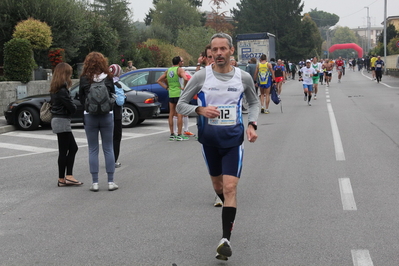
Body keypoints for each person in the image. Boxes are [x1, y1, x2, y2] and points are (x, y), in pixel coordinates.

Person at [176, 32, 259, 261]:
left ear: (231, 51)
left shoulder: (243, 78)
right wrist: (200, 110)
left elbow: (253, 102)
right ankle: (224, 206)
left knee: (231, 187)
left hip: (233, 141)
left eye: (223, 49)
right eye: (215, 50)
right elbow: (181, 105)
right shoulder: (201, 77)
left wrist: (252, 124)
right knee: (218, 185)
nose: (219, 53)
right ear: (210, 52)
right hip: (209, 141)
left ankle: (225, 240)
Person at [79, 52, 118, 192]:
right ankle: (110, 182)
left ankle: (95, 183)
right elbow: (113, 95)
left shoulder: (84, 79)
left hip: (90, 116)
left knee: (93, 149)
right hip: (107, 115)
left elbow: (81, 98)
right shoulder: (108, 78)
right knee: (108, 148)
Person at [50, 62, 82, 187]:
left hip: (58, 120)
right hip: (62, 121)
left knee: (65, 150)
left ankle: (62, 179)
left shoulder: (55, 89)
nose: (71, 75)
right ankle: (67, 176)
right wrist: (73, 103)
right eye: (69, 73)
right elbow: (72, 108)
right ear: (64, 74)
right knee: (71, 148)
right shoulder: (62, 90)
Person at [157, 56, 189, 141]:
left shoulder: (169, 70)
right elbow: (186, 79)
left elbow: (159, 80)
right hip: (179, 93)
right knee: (180, 113)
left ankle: (172, 134)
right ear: (179, 62)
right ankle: (179, 134)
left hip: (171, 93)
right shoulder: (179, 70)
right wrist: (184, 87)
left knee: (171, 113)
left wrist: (167, 87)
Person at [109, 64, 126, 168]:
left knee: (108, 139)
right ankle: (113, 160)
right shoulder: (117, 85)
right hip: (116, 115)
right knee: (116, 138)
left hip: (106, 114)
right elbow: (119, 102)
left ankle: (107, 159)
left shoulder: (105, 82)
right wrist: (124, 97)